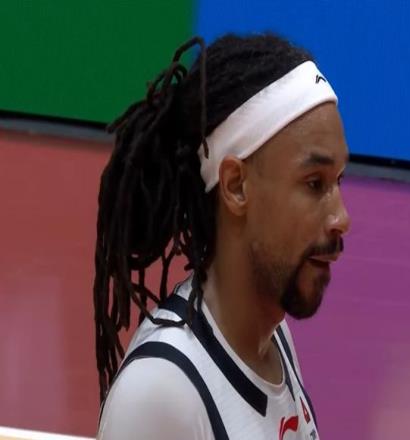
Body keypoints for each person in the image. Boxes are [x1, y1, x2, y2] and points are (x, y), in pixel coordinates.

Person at [94, 33, 350, 440]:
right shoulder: (160, 395)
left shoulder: (274, 337)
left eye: (339, 180)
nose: (341, 218)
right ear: (235, 186)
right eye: (314, 183)